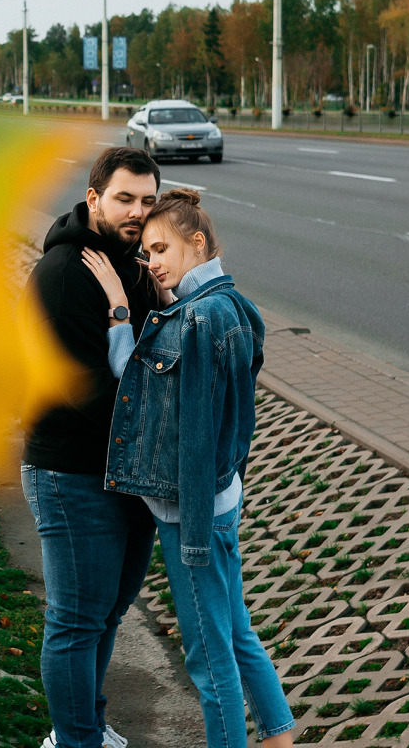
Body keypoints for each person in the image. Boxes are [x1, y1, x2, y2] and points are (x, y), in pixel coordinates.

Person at [83, 189, 293, 748]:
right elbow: (236, 423)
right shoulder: (236, 306)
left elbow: (188, 428)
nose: (151, 262)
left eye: (160, 248)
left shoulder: (198, 318)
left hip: (191, 514)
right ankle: (279, 738)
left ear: (196, 243)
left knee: (208, 657)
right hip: (222, 500)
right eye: (146, 252)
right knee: (237, 633)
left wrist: (120, 312)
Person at [23, 147, 165, 748]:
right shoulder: (63, 275)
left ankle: (86, 726)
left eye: (147, 201)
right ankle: (75, 740)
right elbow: (92, 390)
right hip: (74, 472)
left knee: (106, 614)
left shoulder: (136, 264)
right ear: (93, 199)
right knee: (76, 621)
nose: (137, 212)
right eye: (124, 199)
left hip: (128, 472)